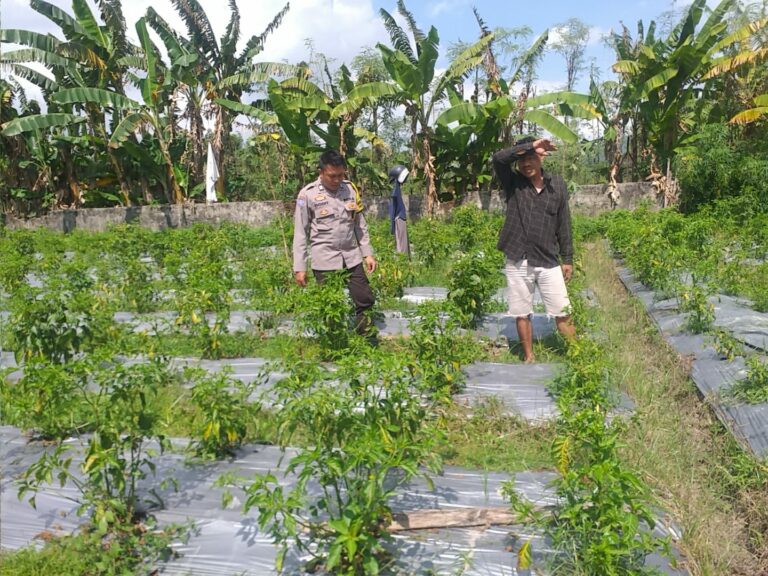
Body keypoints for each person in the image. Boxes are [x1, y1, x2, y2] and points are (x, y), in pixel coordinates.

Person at [492, 136, 575, 363]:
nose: (526, 164)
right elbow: (498, 159)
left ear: (541, 159)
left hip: (548, 258)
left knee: (562, 310)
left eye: (531, 158)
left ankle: (578, 354)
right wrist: (528, 147)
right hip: (519, 257)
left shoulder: (556, 184)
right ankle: (529, 357)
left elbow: (564, 223)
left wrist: (567, 258)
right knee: (521, 311)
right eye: (522, 160)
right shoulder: (513, 183)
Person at [293, 149, 377, 337]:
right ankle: (334, 343)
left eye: (341, 175)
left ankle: (367, 340)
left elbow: (359, 224)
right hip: (324, 259)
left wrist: (367, 253)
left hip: (351, 257)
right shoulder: (307, 195)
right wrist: (300, 267)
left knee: (364, 298)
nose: (337, 179)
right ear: (321, 172)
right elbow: (300, 233)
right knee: (330, 304)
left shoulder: (350, 189)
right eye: (332, 176)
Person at [388, 164, 411, 257]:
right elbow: (392, 210)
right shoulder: (395, 192)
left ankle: (405, 261)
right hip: (399, 219)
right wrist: (392, 226)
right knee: (401, 244)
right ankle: (402, 262)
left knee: (404, 242)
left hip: (401, 218)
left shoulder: (396, 190)